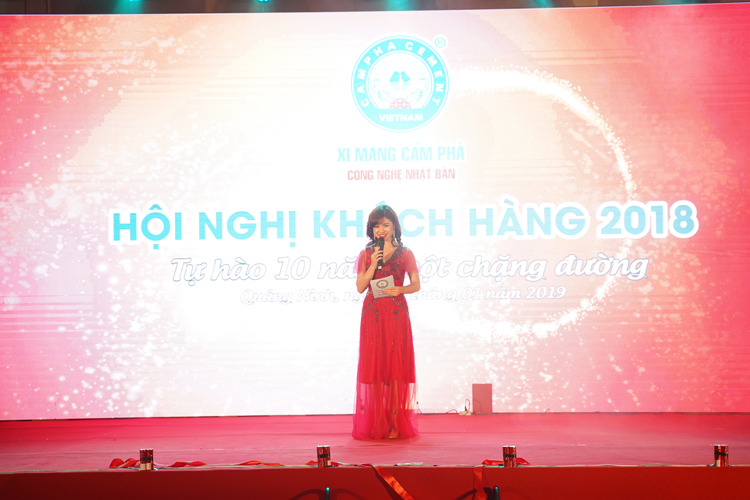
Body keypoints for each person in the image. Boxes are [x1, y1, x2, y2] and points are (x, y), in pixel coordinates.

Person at [353, 205, 420, 440]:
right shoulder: (366, 254)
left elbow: (416, 285)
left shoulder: (406, 253)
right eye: (376, 225)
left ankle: (394, 421)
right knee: (375, 366)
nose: (381, 229)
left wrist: (400, 289)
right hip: (372, 313)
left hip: (396, 313)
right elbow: (360, 287)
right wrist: (373, 264)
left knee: (395, 367)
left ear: (394, 227)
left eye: (385, 225)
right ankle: (378, 421)